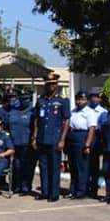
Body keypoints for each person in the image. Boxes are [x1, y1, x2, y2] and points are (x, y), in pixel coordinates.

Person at [32, 71, 70, 202]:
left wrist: (62, 139)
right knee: (43, 166)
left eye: (53, 84)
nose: (51, 86)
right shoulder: (40, 100)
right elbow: (37, 120)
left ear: (57, 84)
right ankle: (44, 191)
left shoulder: (62, 100)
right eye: (48, 84)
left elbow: (66, 121)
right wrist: (34, 137)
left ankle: (54, 193)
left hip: (55, 138)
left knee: (54, 166)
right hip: (42, 138)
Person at [66, 90, 98, 199]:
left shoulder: (90, 112)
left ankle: (81, 191)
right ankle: (72, 190)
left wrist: (87, 145)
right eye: (78, 99)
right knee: (73, 166)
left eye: (82, 99)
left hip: (82, 137)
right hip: (72, 137)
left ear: (87, 100)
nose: (80, 102)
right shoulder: (74, 111)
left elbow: (91, 129)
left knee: (82, 167)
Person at [5, 88, 36, 195]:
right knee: (15, 166)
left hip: (27, 144)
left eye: (26, 99)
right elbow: (6, 125)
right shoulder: (12, 110)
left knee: (27, 167)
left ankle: (26, 187)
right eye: (22, 99)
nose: (24, 101)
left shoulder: (33, 111)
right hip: (14, 143)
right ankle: (15, 186)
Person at [86, 87, 108, 198]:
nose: (96, 99)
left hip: (97, 137)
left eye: (98, 97)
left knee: (94, 165)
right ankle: (84, 187)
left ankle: (93, 188)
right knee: (84, 164)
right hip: (85, 136)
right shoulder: (84, 109)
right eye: (94, 97)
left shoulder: (103, 112)